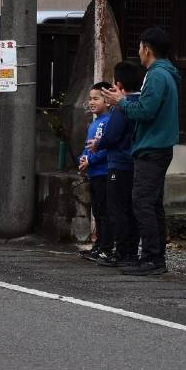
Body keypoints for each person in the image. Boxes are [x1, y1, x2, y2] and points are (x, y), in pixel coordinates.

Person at [103, 27, 181, 276]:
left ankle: (151, 257)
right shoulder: (164, 73)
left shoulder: (157, 75)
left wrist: (121, 102)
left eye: (139, 47)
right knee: (153, 203)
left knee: (142, 202)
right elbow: (148, 107)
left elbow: (145, 112)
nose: (138, 52)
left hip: (152, 147)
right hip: (158, 146)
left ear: (146, 49)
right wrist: (124, 100)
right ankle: (155, 256)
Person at [89, 61, 143, 267]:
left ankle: (120, 252)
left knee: (117, 209)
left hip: (119, 163)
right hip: (134, 162)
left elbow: (112, 135)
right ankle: (130, 251)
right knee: (130, 209)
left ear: (119, 84)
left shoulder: (122, 105)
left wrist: (98, 144)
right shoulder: (141, 102)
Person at [78, 82, 112, 262]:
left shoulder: (107, 122)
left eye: (96, 98)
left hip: (103, 172)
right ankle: (99, 245)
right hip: (94, 172)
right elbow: (87, 147)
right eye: (90, 99)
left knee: (104, 211)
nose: (91, 102)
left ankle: (105, 247)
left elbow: (106, 149)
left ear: (107, 101)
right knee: (97, 211)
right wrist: (82, 160)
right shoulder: (94, 123)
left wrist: (89, 160)